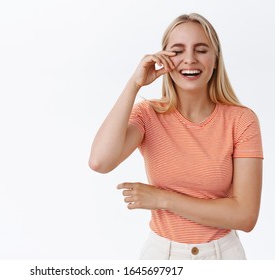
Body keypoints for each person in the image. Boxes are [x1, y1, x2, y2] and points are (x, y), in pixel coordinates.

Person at [88, 13, 263, 260]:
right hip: (161, 256)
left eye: (201, 50)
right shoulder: (148, 115)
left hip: (222, 256)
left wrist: (162, 199)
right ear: (164, 59)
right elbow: (100, 161)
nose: (189, 59)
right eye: (178, 51)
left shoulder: (241, 120)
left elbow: (245, 216)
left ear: (215, 60)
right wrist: (134, 84)